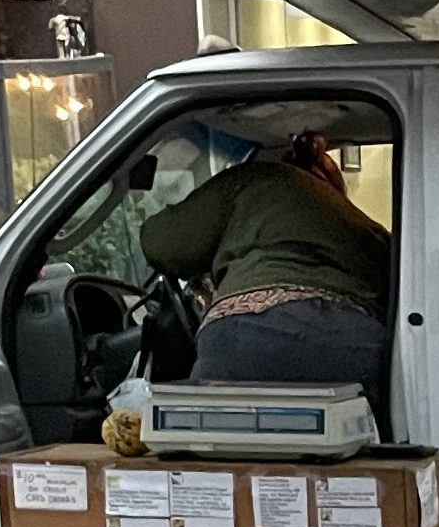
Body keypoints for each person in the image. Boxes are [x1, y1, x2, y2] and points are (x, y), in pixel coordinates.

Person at [140, 133, 393, 423]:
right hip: (349, 347)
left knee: (215, 451)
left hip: (244, 337)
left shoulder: (257, 179)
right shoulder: (366, 227)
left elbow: (163, 243)